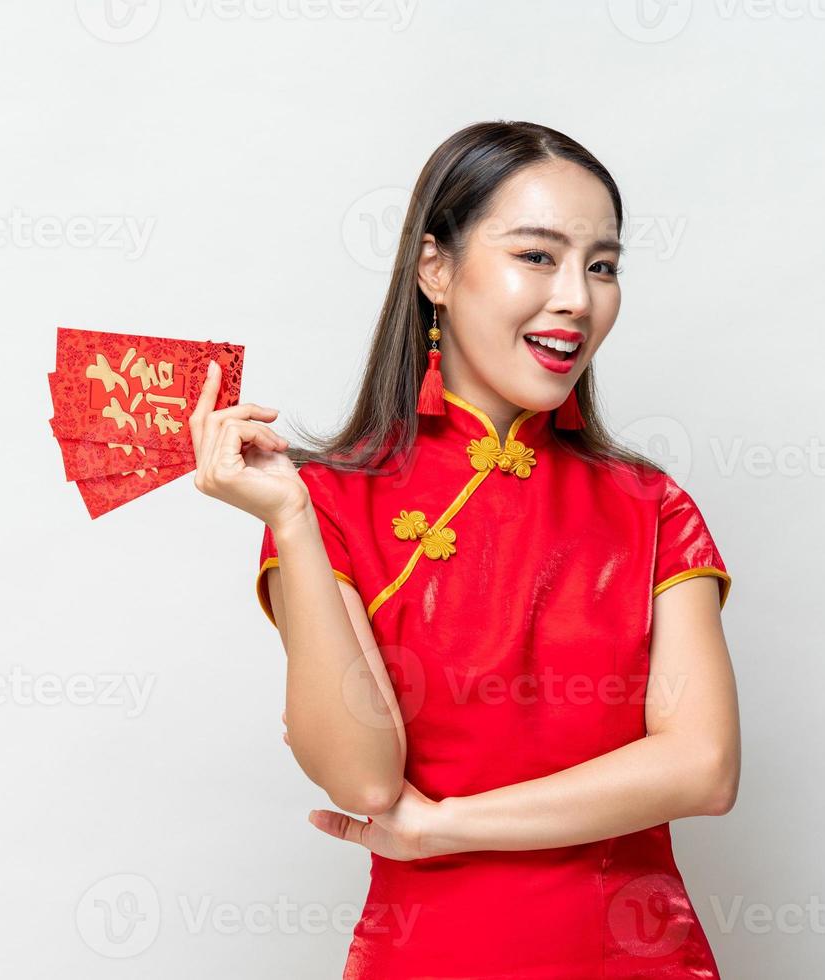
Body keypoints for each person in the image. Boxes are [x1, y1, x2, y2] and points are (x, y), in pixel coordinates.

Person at [189, 120, 739, 979]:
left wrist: (445, 828)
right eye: (537, 256)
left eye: (601, 265)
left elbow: (702, 767)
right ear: (435, 269)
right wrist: (292, 523)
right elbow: (365, 782)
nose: (577, 299)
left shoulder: (652, 507)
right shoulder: (331, 503)